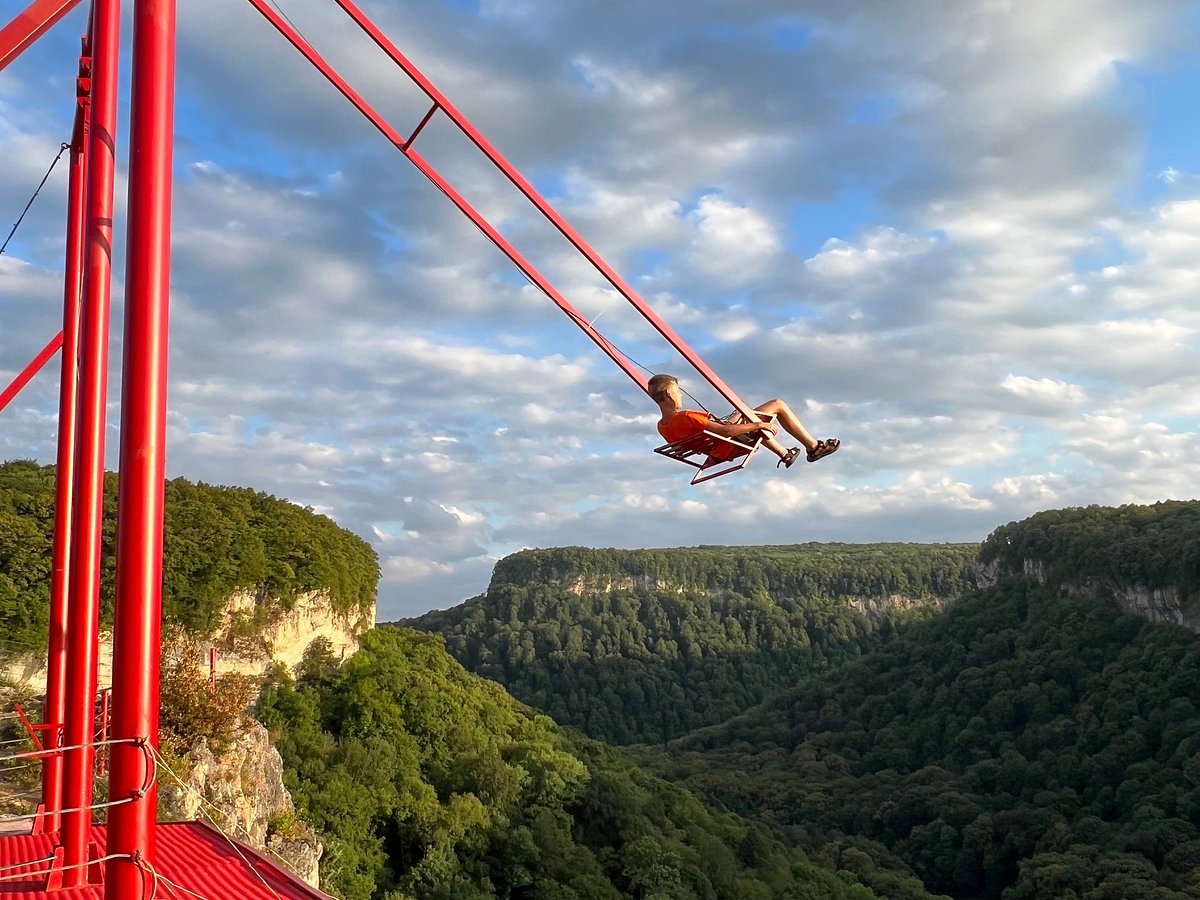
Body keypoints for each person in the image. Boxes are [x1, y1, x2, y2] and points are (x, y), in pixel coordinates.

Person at [647, 373, 839, 468]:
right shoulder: (687, 416)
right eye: (678, 391)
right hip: (731, 443)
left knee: (743, 411)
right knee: (777, 404)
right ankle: (813, 446)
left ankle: (784, 453)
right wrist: (760, 424)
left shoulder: (662, 427)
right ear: (669, 393)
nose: (680, 395)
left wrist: (736, 418)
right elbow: (725, 432)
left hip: (717, 451)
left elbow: (699, 441)